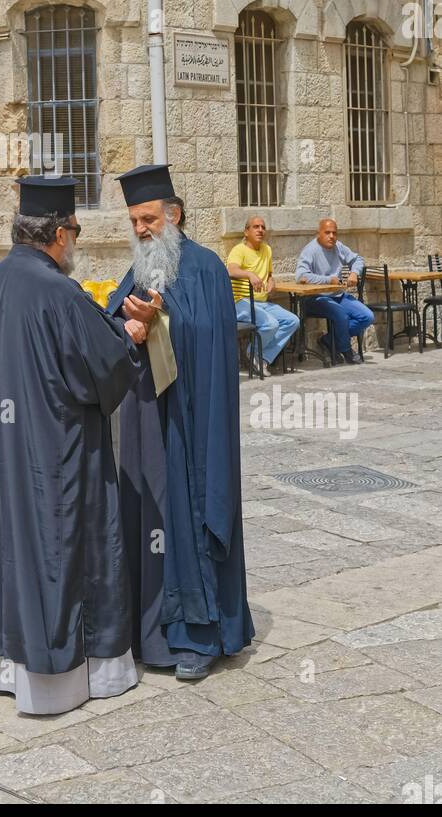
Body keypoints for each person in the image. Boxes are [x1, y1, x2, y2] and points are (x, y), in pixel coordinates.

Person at [0, 174, 142, 716]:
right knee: (61, 549)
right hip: (56, 461)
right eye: (76, 232)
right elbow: (101, 368)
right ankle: (64, 677)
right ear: (58, 234)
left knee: (5, 549)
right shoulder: (59, 291)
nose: (76, 243)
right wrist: (127, 336)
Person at [106, 165, 254, 680]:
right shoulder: (142, 266)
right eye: (134, 220)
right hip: (146, 423)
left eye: (147, 218)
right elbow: (113, 315)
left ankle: (199, 636)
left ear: (174, 215)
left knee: (188, 520)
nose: (141, 228)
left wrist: (159, 323)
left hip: (191, 424)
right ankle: (151, 634)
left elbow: (208, 338)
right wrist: (125, 324)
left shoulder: (207, 268)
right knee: (148, 524)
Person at [296, 218, 374, 365]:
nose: (331, 236)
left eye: (334, 233)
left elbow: (358, 259)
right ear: (318, 233)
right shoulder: (310, 250)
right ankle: (346, 350)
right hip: (315, 298)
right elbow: (301, 276)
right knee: (341, 315)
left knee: (367, 316)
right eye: (327, 233)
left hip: (338, 295)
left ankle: (329, 340)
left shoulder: (338, 247)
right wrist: (328, 280)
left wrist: (354, 273)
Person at [227, 215, 299, 369]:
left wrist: (271, 281)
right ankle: (253, 353)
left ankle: (262, 357)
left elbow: (270, 274)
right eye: (256, 227)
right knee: (270, 324)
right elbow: (231, 270)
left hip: (263, 302)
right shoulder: (239, 250)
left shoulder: (267, 249)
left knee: (292, 321)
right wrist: (249, 274)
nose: (260, 230)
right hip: (241, 302)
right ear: (246, 232)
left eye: (263, 227)